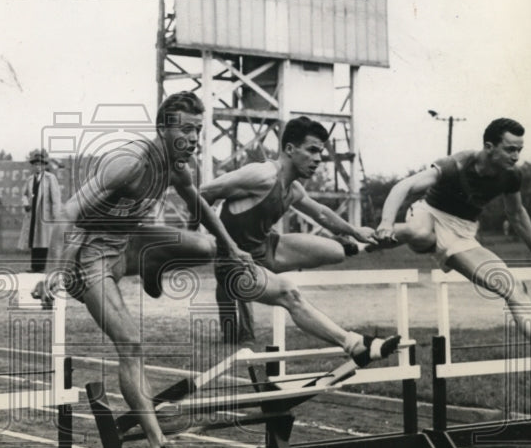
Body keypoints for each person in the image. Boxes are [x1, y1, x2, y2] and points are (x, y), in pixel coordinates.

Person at [42, 91, 255, 448]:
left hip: (127, 244)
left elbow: (201, 207)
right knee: (132, 343)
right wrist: (51, 272)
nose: (194, 140)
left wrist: (233, 248)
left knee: (206, 246)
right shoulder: (129, 163)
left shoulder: (177, 168)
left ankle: (152, 267)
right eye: (186, 130)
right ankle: (161, 447)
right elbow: (65, 212)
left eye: (198, 131)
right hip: (88, 258)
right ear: (162, 128)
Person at [137, 117, 401, 366]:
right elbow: (202, 193)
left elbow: (320, 212)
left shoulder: (294, 189)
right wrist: (191, 239)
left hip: (267, 248)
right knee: (290, 294)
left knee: (336, 251)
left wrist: (355, 231)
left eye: (320, 152)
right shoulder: (260, 175)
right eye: (311, 151)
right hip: (235, 264)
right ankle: (355, 344)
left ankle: (366, 244)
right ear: (289, 148)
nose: (318, 159)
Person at [373, 117, 531, 387]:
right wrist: (386, 222)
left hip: (463, 232)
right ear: (489, 146)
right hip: (427, 213)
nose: (516, 156)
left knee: (514, 287)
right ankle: (358, 240)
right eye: (509, 149)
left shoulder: (511, 175)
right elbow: (404, 186)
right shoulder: (456, 164)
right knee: (420, 233)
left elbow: (516, 213)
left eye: (519, 149)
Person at [17, 148, 62, 273]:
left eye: (40, 164)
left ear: (44, 165)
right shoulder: (30, 179)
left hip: (45, 214)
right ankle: (34, 267)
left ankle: (41, 267)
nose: (38, 167)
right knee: (34, 240)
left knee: (43, 240)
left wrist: (56, 216)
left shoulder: (50, 178)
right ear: (33, 166)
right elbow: (24, 194)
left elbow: (56, 198)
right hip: (33, 215)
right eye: (35, 164)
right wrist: (26, 204)